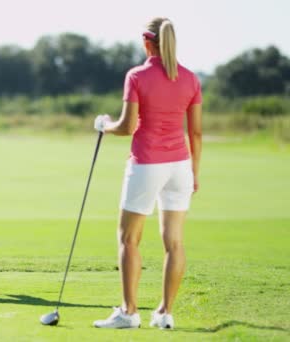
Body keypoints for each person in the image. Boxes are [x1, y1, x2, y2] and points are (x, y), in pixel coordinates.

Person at [92, 17, 202, 329]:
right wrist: (193, 172)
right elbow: (195, 134)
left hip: (146, 164)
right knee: (174, 242)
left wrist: (104, 125)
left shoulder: (137, 76)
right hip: (180, 166)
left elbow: (127, 127)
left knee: (128, 238)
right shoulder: (191, 79)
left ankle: (128, 313)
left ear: (146, 41)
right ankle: (165, 313)